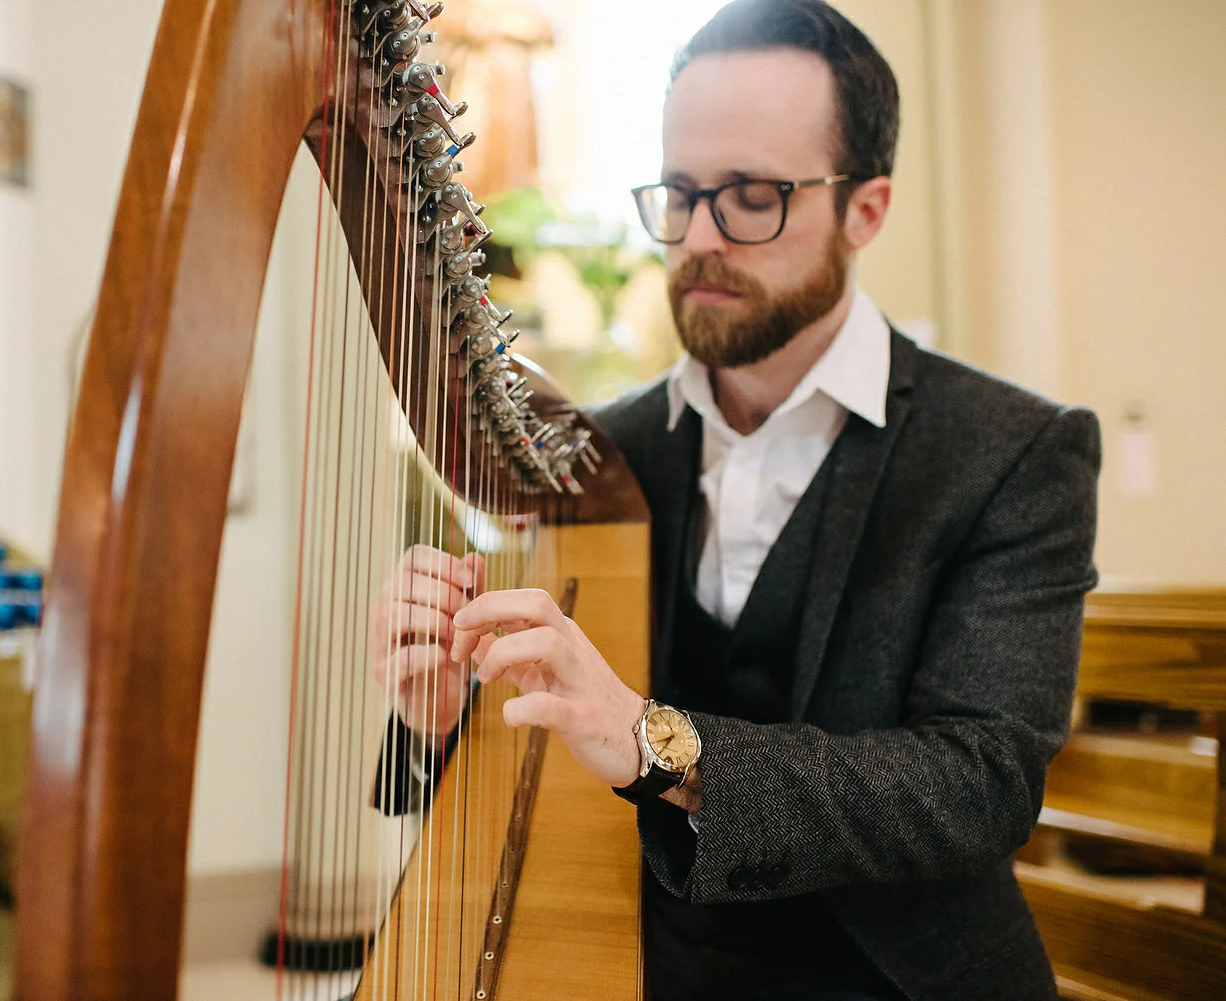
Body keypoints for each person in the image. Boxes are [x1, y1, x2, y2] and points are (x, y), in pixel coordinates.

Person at [370, 2, 1101, 998]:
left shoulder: (1015, 451)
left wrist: (651, 739)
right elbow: (541, 740)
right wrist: (436, 718)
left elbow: (980, 782)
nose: (700, 239)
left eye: (752, 196)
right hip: (651, 960)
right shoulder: (599, 453)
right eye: (680, 193)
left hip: (897, 976)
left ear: (867, 209)